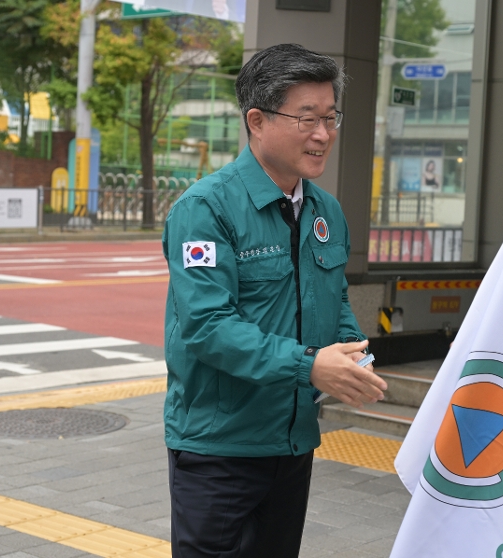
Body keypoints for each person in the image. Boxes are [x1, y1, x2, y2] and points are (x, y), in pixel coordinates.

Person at [162, 43, 387, 558]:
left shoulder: (325, 208)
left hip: (292, 444)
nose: (323, 134)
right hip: (218, 447)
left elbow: (335, 303)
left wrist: (356, 360)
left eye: (331, 118)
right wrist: (310, 367)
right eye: (307, 118)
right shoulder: (205, 209)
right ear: (257, 121)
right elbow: (208, 326)